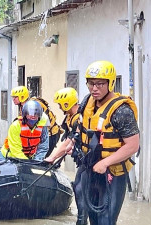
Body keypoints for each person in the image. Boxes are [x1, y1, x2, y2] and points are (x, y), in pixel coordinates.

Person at [45, 61, 139, 225]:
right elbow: (80, 130)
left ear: (110, 83)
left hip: (112, 173)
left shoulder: (122, 111)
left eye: (100, 84)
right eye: (91, 83)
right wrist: (72, 145)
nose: (94, 88)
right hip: (89, 168)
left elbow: (133, 145)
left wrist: (105, 162)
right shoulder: (87, 102)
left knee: (106, 220)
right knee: (91, 217)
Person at [54, 87, 88, 225]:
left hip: (89, 160)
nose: (59, 107)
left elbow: (69, 141)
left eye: (60, 104)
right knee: (78, 186)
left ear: (66, 103)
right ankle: (82, 219)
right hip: (82, 160)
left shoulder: (77, 119)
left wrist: (52, 158)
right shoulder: (70, 117)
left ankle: (82, 220)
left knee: (80, 187)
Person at [11, 86, 61, 156]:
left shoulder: (34, 106)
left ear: (22, 97)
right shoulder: (23, 107)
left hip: (50, 134)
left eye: (15, 97)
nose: (13, 99)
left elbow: (44, 124)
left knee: (41, 159)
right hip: (40, 135)